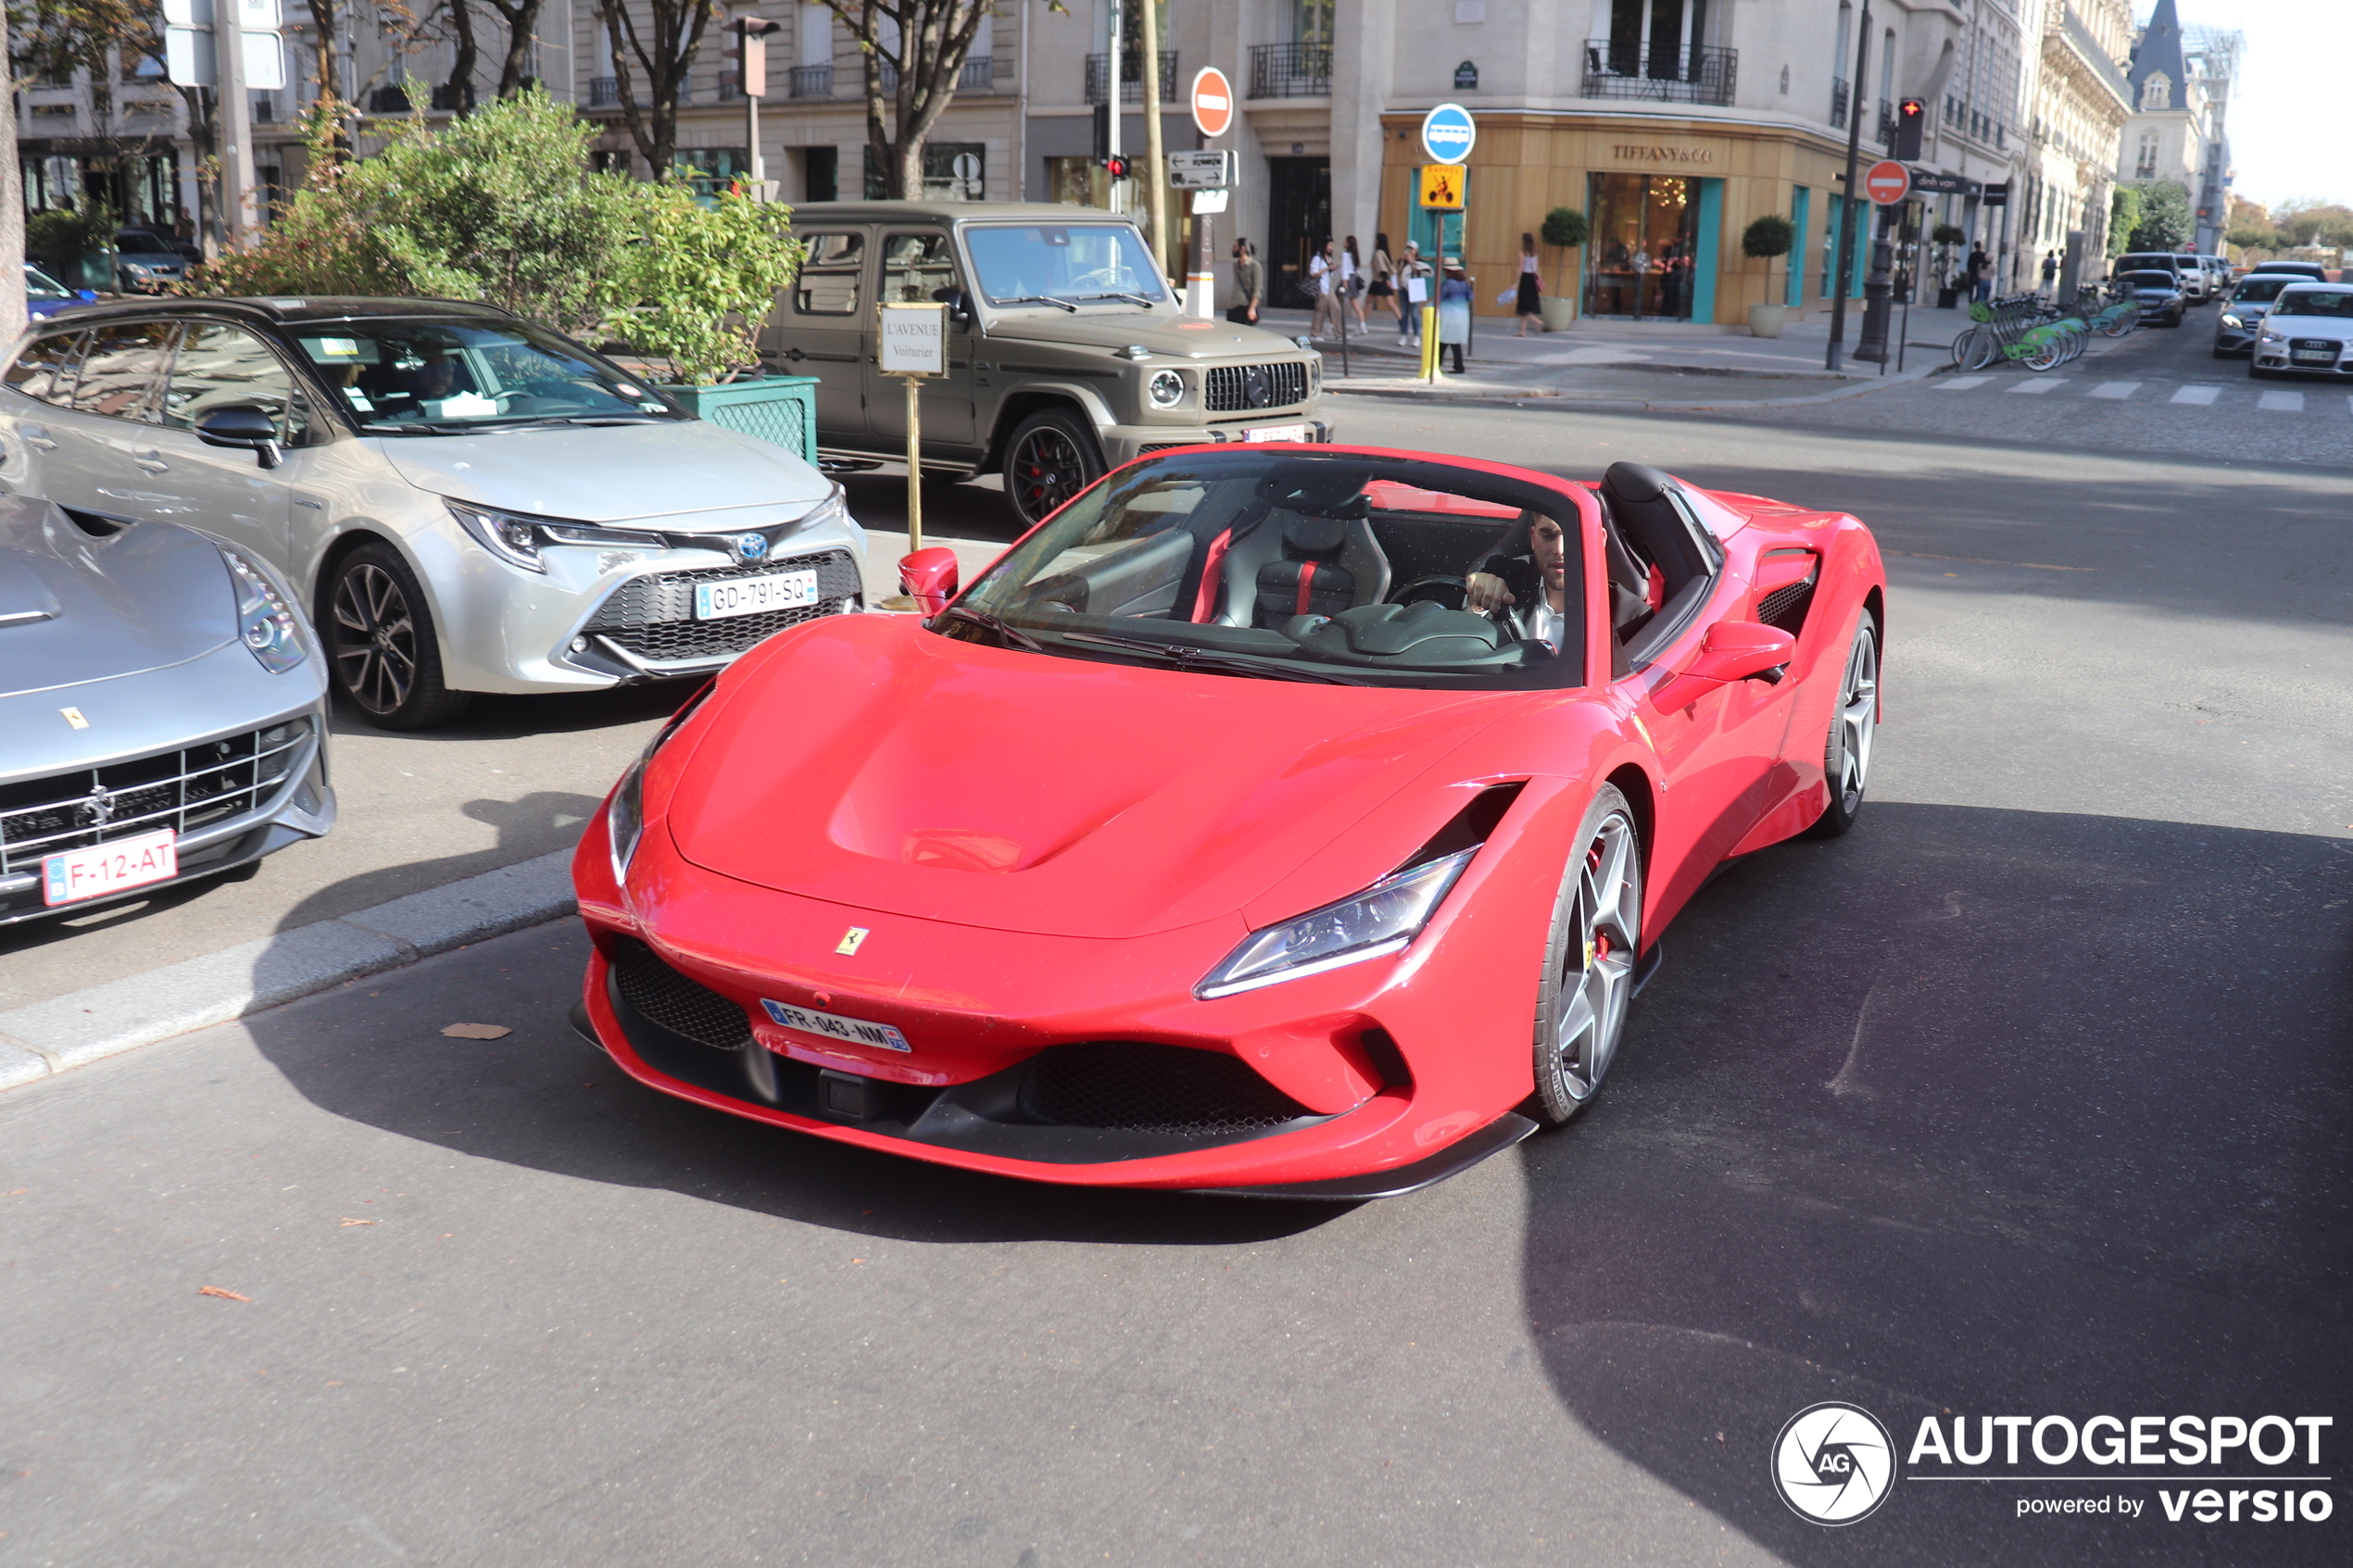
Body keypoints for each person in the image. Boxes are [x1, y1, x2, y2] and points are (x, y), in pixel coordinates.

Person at [1464, 508, 1572, 652]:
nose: (1559, 549)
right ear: (1533, 538)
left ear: (1599, 539)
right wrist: (1477, 603)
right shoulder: (1506, 575)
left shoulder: (1611, 608)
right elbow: (1459, 644)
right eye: (1548, 535)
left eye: (1573, 537)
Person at [1436, 258, 1472, 374]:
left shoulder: (1447, 283)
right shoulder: (1464, 283)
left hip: (1449, 315)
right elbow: (1470, 297)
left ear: (1448, 271)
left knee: (1443, 340)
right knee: (1455, 342)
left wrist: (1429, 306)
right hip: (1462, 315)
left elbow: (1439, 297)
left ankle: (1437, 365)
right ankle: (1458, 366)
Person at [1396, 242, 1430, 345]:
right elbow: (1398, 273)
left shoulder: (1419, 262)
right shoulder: (1403, 261)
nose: (1409, 250)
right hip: (1403, 289)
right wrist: (1402, 261)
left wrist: (1412, 262)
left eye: (1411, 248)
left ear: (1416, 250)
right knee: (1404, 313)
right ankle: (1403, 335)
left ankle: (1416, 336)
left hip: (1415, 289)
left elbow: (1418, 273)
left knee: (1414, 313)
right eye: (1407, 248)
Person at [1515, 231, 1544, 335]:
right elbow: (1536, 268)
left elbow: (1520, 267)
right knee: (1526, 305)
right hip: (1533, 278)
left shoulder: (1522, 253)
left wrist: (1516, 282)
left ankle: (1538, 322)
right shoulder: (1534, 253)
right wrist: (1539, 280)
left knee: (1523, 306)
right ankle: (1522, 331)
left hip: (1525, 279)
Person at [1228, 237, 1263, 324]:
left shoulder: (1255, 266)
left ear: (1242, 248)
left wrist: (1252, 308)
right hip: (1232, 306)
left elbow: (1257, 290)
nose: (1232, 249)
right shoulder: (1236, 265)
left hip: (1244, 307)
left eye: (1235, 246)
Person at [1368, 232, 1397, 336]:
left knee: (1368, 302)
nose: (1374, 241)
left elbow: (1382, 268)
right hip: (1386, 280)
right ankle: (1401, 322)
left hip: (1379, 280)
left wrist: (1386, 279)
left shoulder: (1378, 253)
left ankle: (1361, 323)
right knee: (1391, 303)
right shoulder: (1387, 252)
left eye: (1376, 239)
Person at [1307, 238, 1337, 337]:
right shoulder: (1318, 258)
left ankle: (1339, 333)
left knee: (1336, 308)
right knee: (1320, 310)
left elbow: (1329, 275)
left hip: (1328, 286)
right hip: (1321, 287)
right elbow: (1313, 273)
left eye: (1332, 246)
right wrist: (1327, 268)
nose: (1331, 248)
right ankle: (1315, 332)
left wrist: (1331, 269)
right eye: (1329, 245)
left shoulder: (1329, 258)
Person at [1344, 235, 1369, 330]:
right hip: (1354, 279)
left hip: (1347, 279)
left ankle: (1331, 324)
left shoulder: (1346, 255)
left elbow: (1344, 269)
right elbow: (1357, 269)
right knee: (1355, 304)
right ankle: (1362, 324)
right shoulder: (1354, 254)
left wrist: (1344, 281)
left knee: (1338, 302)